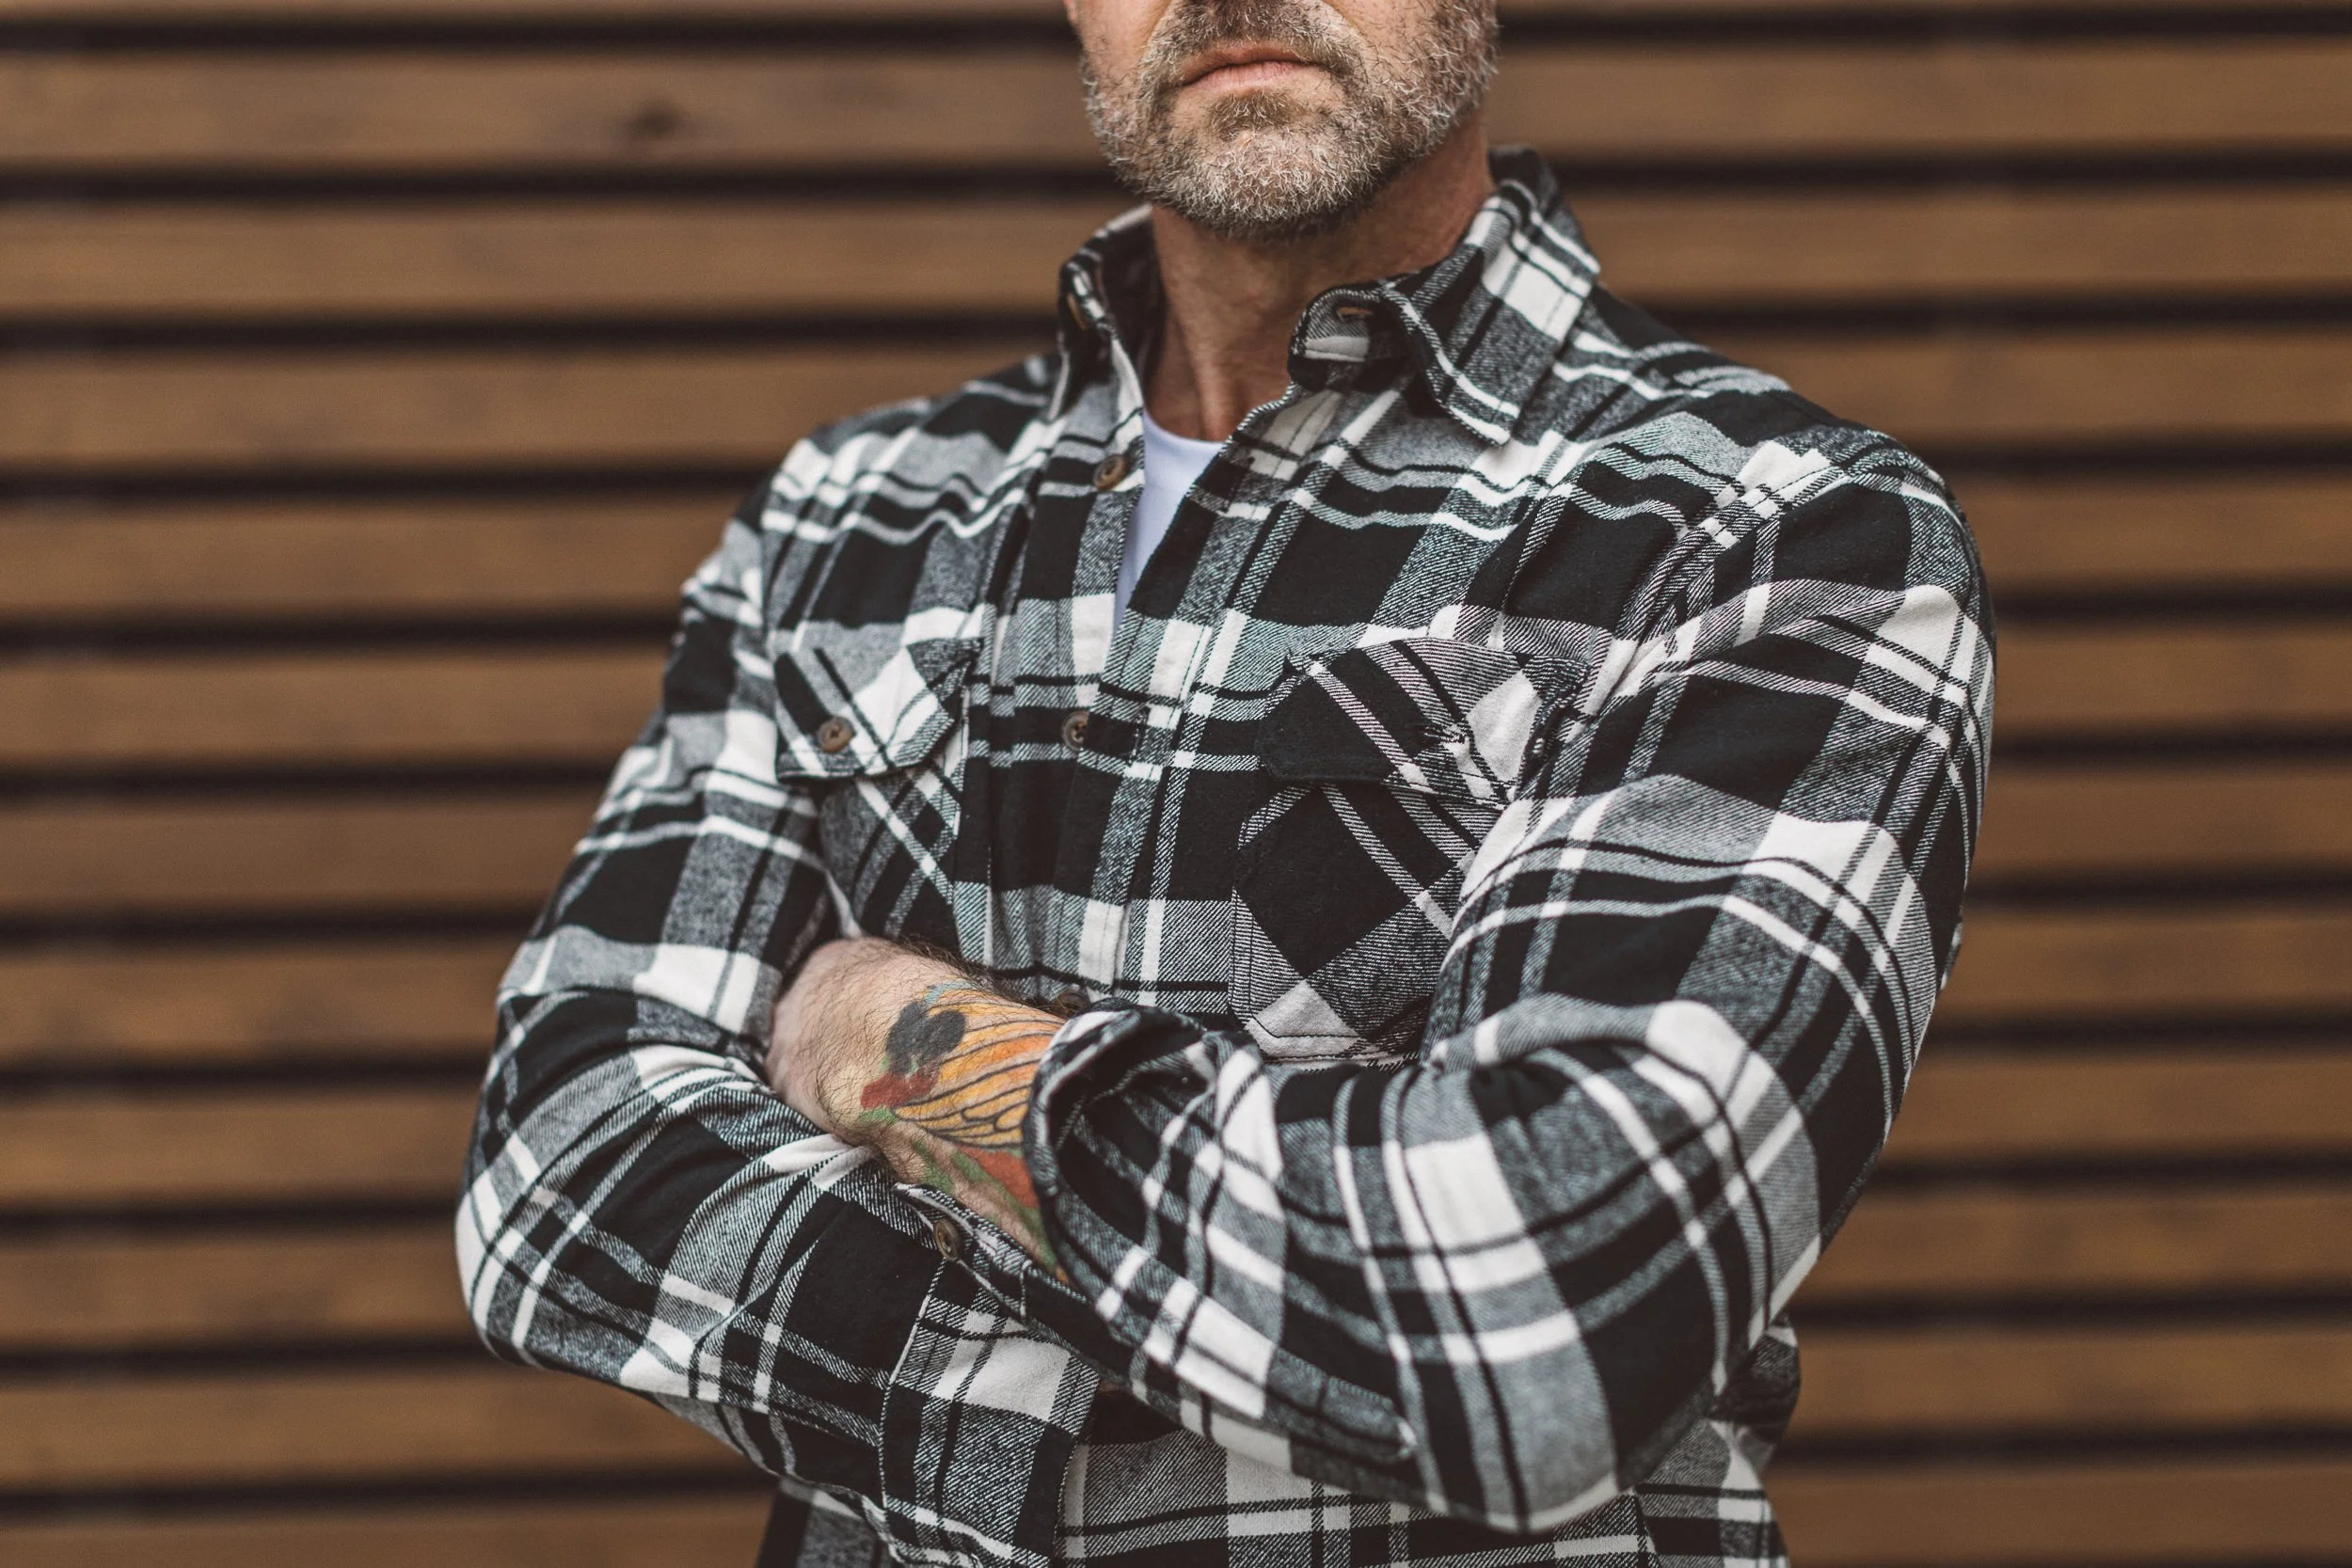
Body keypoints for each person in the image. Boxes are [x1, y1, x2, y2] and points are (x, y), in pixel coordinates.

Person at [457, 0, 1994, 1562]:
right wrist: (1253, 1393)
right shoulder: (848, 521)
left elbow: (1538, 1322)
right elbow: (560, 1168)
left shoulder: (1775, 540)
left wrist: (876, 1039)